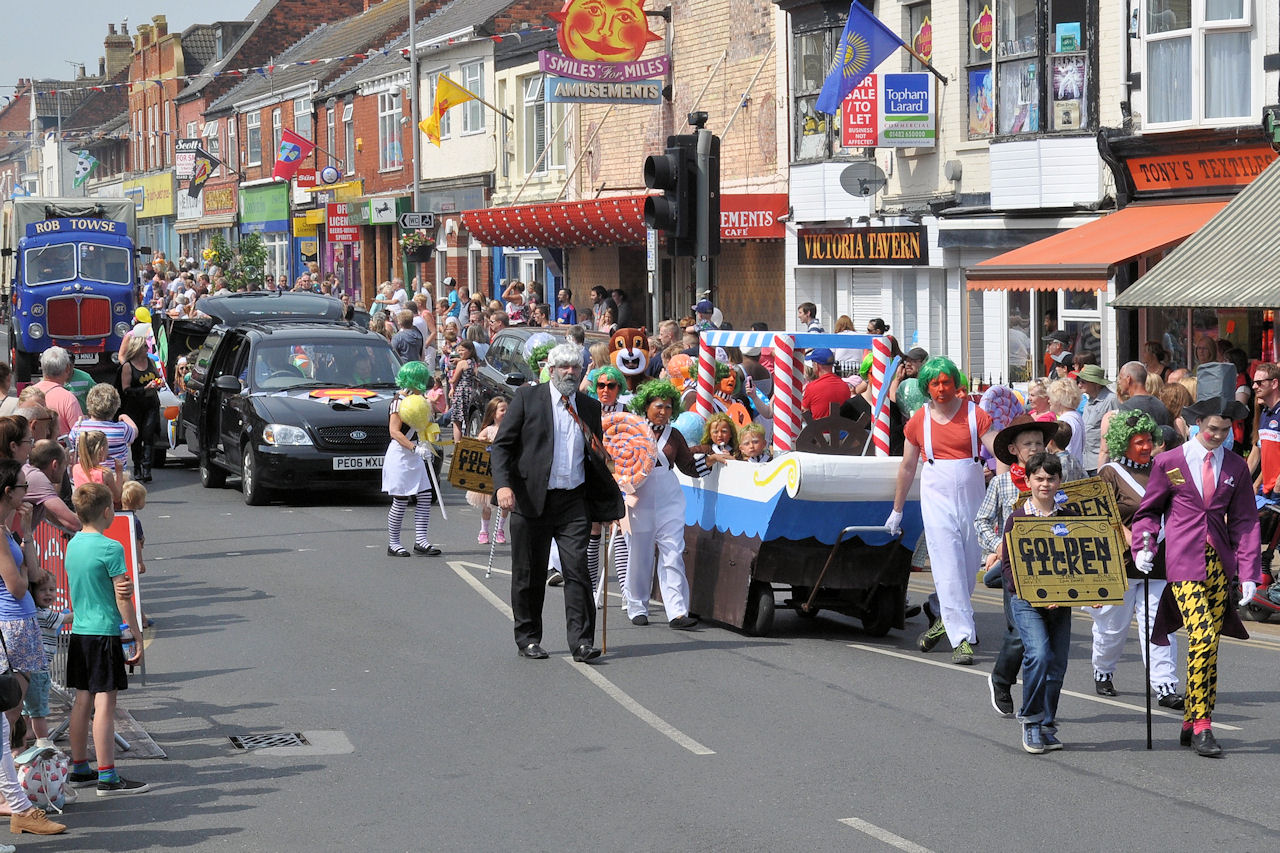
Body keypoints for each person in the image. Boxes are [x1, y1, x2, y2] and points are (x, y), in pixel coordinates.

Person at [1131, 379, 1261, 757]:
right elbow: (1149, 511)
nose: (1218, 436)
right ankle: (1203, 724)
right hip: (1183, 561)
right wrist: (1144, 543)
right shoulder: (1169, 462)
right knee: (1201, 635)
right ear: (1195, 424)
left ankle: (1192, 717)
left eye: (1225, 430)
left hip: (1219, 565)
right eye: (1211, 429)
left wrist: (1250, 570)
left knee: (1211, 645)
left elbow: (1246, 521)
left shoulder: (1236, 466)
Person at [490, 343, 624, 662]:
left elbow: (593, 456)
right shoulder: (527, 398)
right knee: (529, 573)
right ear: (550, 369)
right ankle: (528, 638)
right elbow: (502, 447)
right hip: (530, 499)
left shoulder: (589, 407)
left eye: (575, 367)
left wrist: (605, 499)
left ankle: (581, 642)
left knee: (578, 571)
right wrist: (503, 487)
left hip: (573, 501)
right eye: (563, 366)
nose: (569, 371)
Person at [886, 357, 998, 665]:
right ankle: (963, 639)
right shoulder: (918, 421)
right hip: (937, 500)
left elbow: (998, 450)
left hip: (974, 499)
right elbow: (908, 466)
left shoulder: (976, 415)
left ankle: (944, 623)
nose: (941, 389)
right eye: (934, 384)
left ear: (955, 383)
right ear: (926, 387)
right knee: (947, 568)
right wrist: (897, 510)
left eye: (946, 382)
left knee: (968, 569)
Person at [1092, 411, 1184, 707]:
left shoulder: (1167, 468)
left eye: (1149, 441)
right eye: (1139, 442)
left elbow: (1185, 504)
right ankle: (1103, 670)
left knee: (1159, 626)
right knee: (1112, 628)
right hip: (1121, 563)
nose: (1146, 447)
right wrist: (1130, 537)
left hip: (1160, 563)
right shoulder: (1109, 472)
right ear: (1124, 443)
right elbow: (1101, 516)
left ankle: (1165, 685)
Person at [63, 481, 147, 796]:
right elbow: (123, 597)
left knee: (82, 699)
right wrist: (137, 636)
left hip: (81, 632)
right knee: (106, 705)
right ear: (108, 511)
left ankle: (80, 768)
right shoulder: (111, 547)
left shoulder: (72, 544)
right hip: (104, 632)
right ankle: (108, 776)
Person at [975, 414, 1061, 710]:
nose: (1035, 448)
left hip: (1052, 569)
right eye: (1028, 444)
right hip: (1016, 570)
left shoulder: (1055, 482)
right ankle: (1001, 679)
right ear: (1014, 449)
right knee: (1019, 634)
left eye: (1039, 442)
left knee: (1045, 635)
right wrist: (998, 546)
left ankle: (1040, 702)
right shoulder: (1001, 483)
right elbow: (982, 521)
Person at [0, 460, 67, 835]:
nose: (31, 492)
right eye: (25, 486)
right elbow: (19, 586)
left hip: (21, 624)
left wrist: (25, 533)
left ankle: (13, 796)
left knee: (10, 712)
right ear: (9, 493)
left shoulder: (7, 529)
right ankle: (10, 796)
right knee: (8, 713)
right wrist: (25, 572)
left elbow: (36, 573)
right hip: (11, 624)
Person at [622, 380, 722, 628]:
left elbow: (687, 466)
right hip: (639, 496)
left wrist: (709, 461)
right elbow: (619, 463)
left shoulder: (674, 435)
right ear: (646, 406)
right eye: (659, 406)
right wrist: (620, 490)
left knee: (673, 552)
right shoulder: (633, 430)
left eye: (668, 407)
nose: (664, 411)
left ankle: (677, 611)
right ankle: (637, 606)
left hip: (669, 497)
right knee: (640, 554)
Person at [999, 452, 1073, 754]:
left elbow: (1082, 560)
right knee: (1039, 655)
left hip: (1062, 604)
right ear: (1027, 481)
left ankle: (1046, 724)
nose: (1045, 484)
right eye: (1039, 478)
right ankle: (1030, 721)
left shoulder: (1070, 516)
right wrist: (1038, 593)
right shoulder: (1017, 518)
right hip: (1027, 601)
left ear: (1059, 481)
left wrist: (1091, 592)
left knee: (1056, 665)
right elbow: (1008, 567)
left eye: (1051, 478)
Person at [382, 362, 441, 559]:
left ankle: (421, 540)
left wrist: (426, 444)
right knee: (400, 500)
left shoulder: (418, 399)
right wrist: (414, 448)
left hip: (416, 453)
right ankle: (394, 543)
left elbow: (422, 425)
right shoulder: (399, 401)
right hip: (401, 454)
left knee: (424, 496)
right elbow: (394, 431)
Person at [22, 570, 62, 747]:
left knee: (25, 708)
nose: (48, 594)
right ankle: (43, 743)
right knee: (39, 711)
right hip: (39, 670)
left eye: (52, 590)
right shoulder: (43, 614)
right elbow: (68, 618)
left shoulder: (33, 611)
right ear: (32, 592)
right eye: (43, 590)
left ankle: (24, 736)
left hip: (28, 668)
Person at [116, 335, 163, 482]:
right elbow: (126, 389)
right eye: (144, 347)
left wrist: (158, 383)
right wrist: (144, 388)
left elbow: (158, 377)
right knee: (136, 438)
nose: (147, 349)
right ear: (137, 349)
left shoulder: (149, 361)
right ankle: (137, 467)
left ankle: (147, 468)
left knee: (148, 435)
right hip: (134, 406)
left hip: (151, 405)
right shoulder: (128, 366)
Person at [69, 384, 138, 475]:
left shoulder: (79, 427)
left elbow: (72, 446)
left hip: (86, 477)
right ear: (116, 406)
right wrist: (125, 417)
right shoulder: (122, 429)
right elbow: (135, 432)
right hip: (114, 479)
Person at [467, 398, 508, 546]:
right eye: (502, 410)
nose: (505, 413)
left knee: (504, 505)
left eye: (506, 410)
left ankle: (500, 529)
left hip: (504, 471)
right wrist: (485, 443)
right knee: (487, 505)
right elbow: (479, 440)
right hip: (488, 472)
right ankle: (484, 531)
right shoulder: (490, 429)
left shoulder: (509, 429)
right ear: (493, 413)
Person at [22, 440, 79, 533]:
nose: (65, 470)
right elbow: (73, 523)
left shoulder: (29, 471)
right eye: (65, 465)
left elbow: (54, 516)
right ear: (55, 465)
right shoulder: (38, 479)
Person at [32, 347, 84, 438]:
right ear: (67, 368)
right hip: (60, 450)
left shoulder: (29, 394)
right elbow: (80, 436)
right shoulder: (68, 399)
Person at [1077, 364, 1118, 475]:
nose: (1079, 385)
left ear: (1095, 383)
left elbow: (1115, 432)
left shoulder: (1110, 400)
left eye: (1083, 381)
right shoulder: (1088, 401)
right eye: (1079, 381)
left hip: (1101, 463)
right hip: (1087, 463)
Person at [800, 348, 849, 420]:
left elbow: (804, 412)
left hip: (818, 430)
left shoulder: (812, 387)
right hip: (840, 429)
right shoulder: (845, 386)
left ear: (816, 365)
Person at [449, 341, 479, 445]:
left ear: (469, 351)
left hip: (460, 392)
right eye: (459, 350)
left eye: (462, 350)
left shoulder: (462, 363)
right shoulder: (474, 362)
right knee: (468, 419)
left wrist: (449, 375)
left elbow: (454, 380)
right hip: (471, 391)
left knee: (457, 421)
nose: (460, 352)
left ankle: (458, 445)